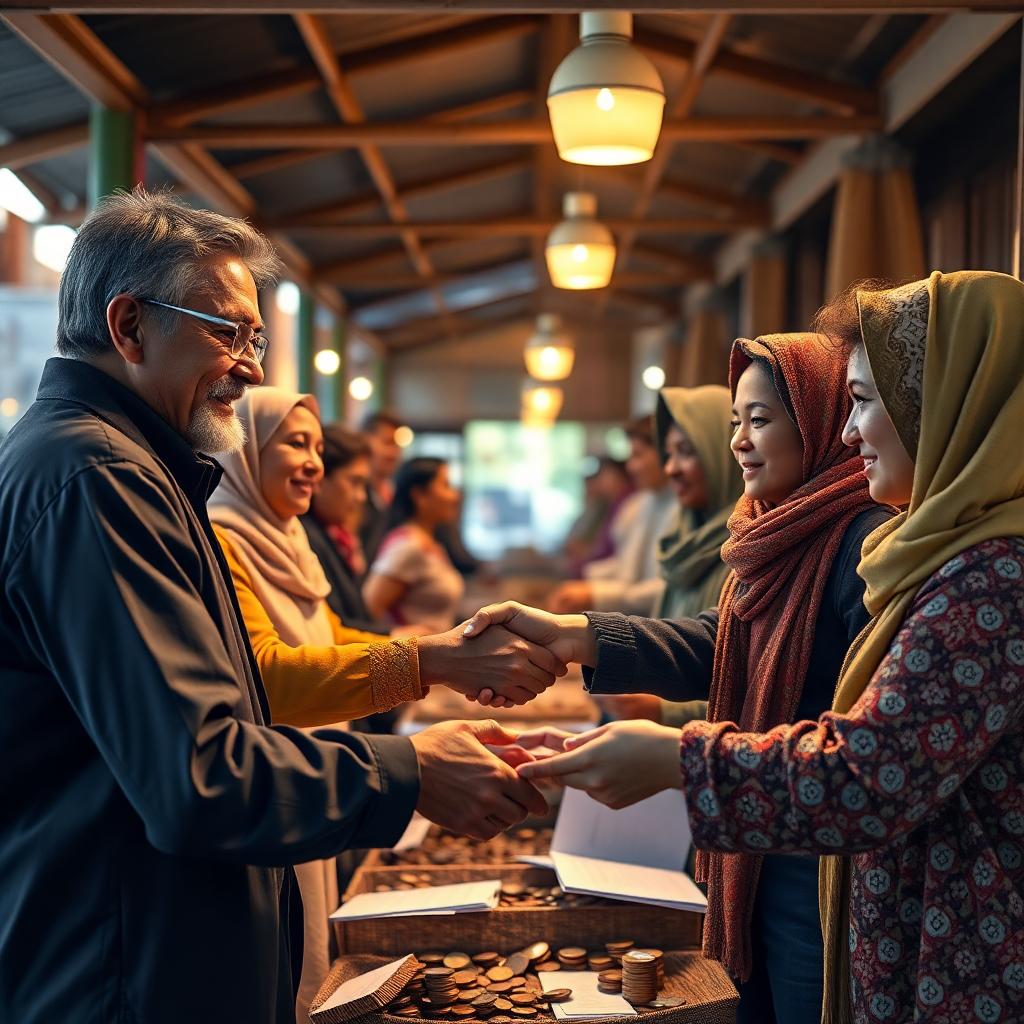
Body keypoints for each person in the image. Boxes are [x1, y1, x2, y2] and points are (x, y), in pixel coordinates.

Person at [0, 189, 551, 1024]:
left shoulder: (139, 468)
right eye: (227, 333)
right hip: (119, 969)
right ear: (128, 325)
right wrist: (410, 771)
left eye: (253, 337)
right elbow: (201, 776)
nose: (252, 366)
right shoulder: (97, 479)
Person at [500, 272, 1024, 1024]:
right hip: (878, 900)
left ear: (944, 403)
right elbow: (743, 645)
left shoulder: (983, 574)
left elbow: (869, 774)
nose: (849, 432)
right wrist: (586, 637)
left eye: (866, 403)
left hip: (944, 937)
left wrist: (674, 760)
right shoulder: (921, 548)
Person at [468, 332, 895, 1024]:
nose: (740, 444)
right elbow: (725, 641)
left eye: (760, 421)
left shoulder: (861, 544)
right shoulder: (772, 535)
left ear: (818, 425)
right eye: (733, 424)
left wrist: (676, 755)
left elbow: (866, 753)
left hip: (814, 864)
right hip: (752, 847)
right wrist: (578, 635)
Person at [209, 387, 565, 1019]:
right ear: (242, 451)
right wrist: (437, 660)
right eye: (294, 443)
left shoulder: (286, 540)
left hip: (325, 762)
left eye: (318, 446)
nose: (314, 463)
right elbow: (267, 674)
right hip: (284, 777)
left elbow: (331, 637)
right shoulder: (222, 541)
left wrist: (440, 658)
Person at [604, 386, 743, 727]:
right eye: (668, 454)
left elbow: (751, 692)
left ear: (721, 454)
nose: (671, 469)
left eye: (686, 452)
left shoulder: (747, 552)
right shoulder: (683, 546)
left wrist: (664, 711)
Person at [549, 415, 677, 616]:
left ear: (665, 453)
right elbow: (627, 567)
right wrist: (586, 583)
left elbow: (671, 588)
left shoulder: (682, 505)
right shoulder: (641, 503)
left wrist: (594, 592)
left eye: (638, 455)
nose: (631, 466)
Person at [301, 423, 391, 634]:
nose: (361, 497)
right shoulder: (306, 537)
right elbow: (334, 627)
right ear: (320, 479)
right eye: (354, 482)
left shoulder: (329, 534)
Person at [364, 457, 466, 635]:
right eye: (446, 486)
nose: (455, 495)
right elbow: (369, 609)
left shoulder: (429, 543)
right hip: (416, 658)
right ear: (420, 495)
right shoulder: (407, 547)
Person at [359, 409, 404, 563]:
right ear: (365, 441)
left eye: (398, 445)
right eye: (388, 442)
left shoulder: (396, 496)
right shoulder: (354, 497)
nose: (395, 452)